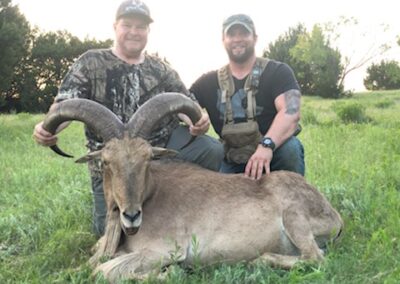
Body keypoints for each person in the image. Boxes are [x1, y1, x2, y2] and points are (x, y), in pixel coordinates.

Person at [33, 0, 223, 236]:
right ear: (115, 27)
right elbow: (64, 107)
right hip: (112, 164)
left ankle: (212, 204)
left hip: (156, 154)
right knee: (111, 236)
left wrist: (199, 120)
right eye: (128, 25)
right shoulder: (91, 62)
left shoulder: (161, 69)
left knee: (212, 150)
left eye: (140, 26)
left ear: (148, 31)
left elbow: (185, 103)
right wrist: (47, 128)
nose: (134, 31)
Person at [190, 14, 304, 180]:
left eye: (244, 33)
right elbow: (182, 104)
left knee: (291, 149)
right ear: (223, 40)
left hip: (272, 154)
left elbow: (291, 111)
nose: (237, 39)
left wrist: (267, 146)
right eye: (231, 34)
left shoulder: (278, 71)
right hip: (230, 159)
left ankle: (294, 203)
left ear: (255, 38)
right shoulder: (208, 81)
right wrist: (196, 119)